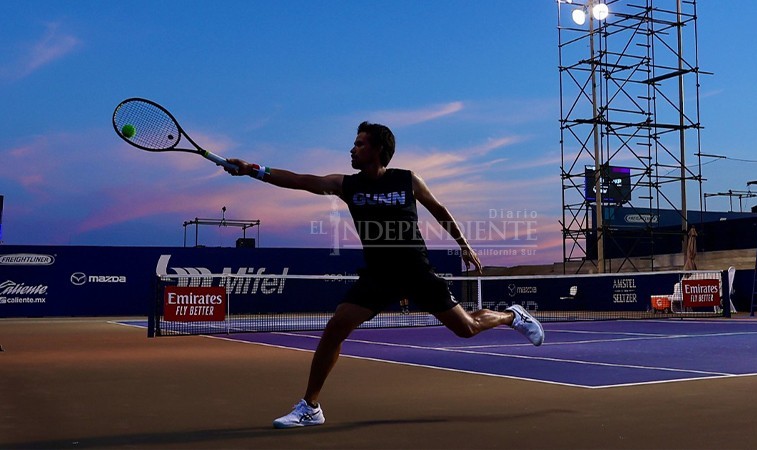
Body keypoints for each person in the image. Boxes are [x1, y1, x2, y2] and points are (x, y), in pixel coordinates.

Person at [225, 121, 544, 429]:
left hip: (417, 271)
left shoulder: (408, 180)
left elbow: (439, 210)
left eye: (359, 144)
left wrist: (463, 244)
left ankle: (511, 316)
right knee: (336, 326)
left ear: (377, 149)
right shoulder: (346, 184)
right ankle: (310, 406)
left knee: (468, 327)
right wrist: (254, 170)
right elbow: (300, 180)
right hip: (379, 276)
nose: (352, 149)